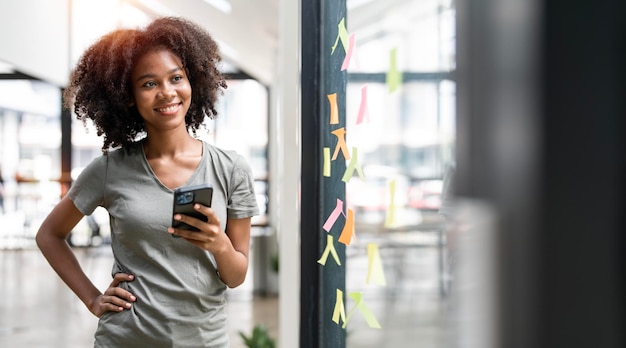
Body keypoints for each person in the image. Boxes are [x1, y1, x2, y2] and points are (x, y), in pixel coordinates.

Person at [36, 17, 259, 348]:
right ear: (128, 97)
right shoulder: (109, 170)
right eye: (149, 83)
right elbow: (49, 235)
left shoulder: (231, 169)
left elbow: (236, 276)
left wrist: (219, 244)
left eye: (176, 78)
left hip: (203, 341)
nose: (167, 92)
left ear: (192, 81)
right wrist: (93, 299)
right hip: (124, 338)